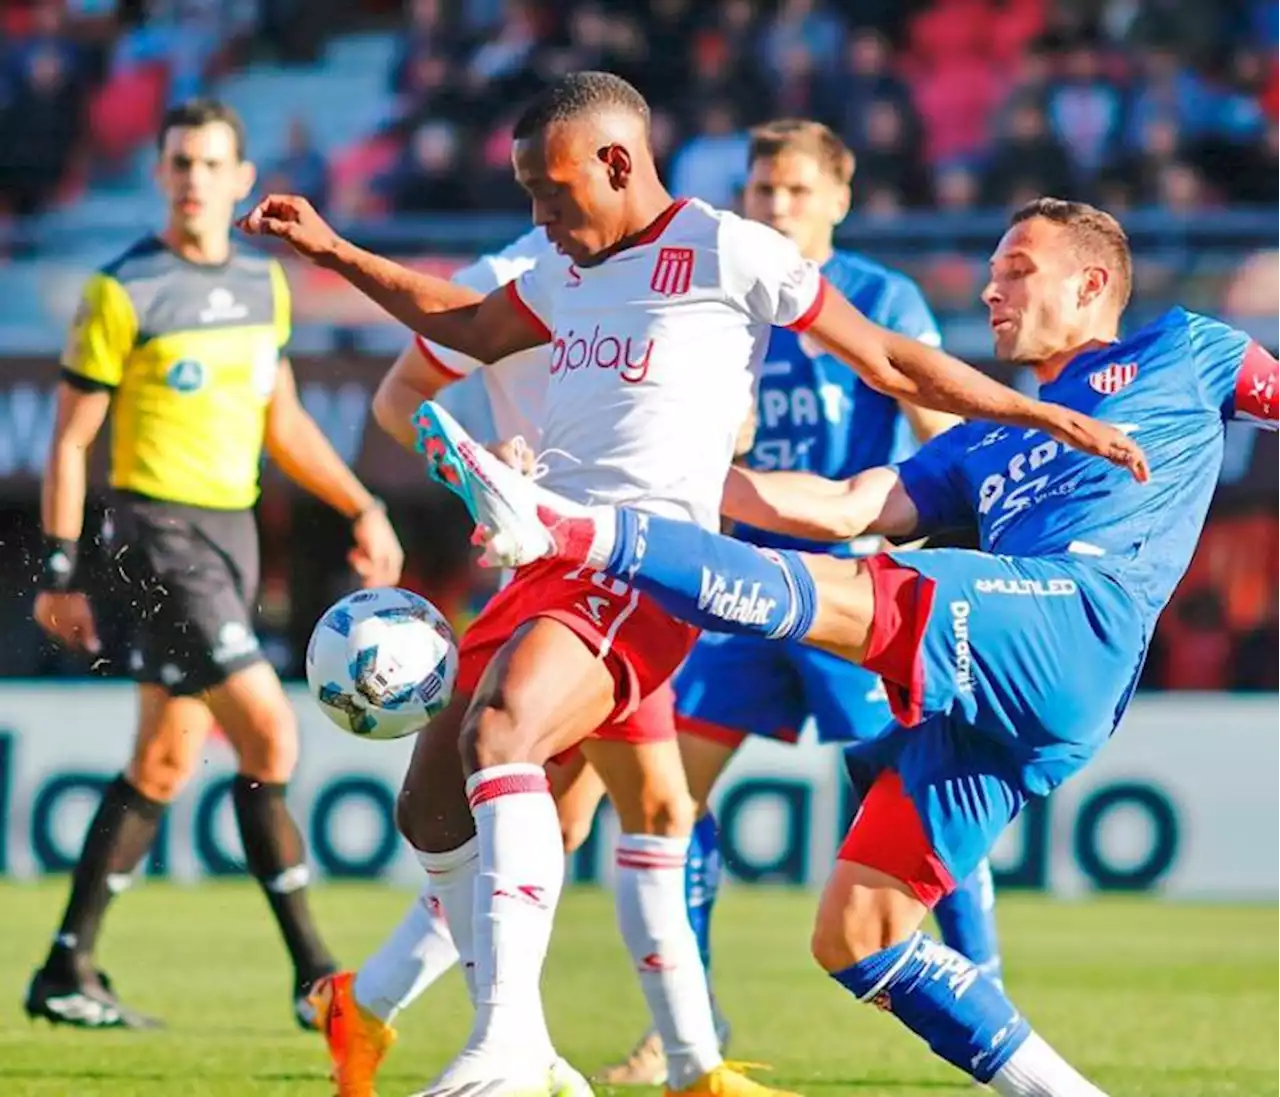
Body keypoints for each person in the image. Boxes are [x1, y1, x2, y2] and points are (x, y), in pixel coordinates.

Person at [240, 70, 1143, 1097]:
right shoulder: (568, 270)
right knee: (432, 809)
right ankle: (532, 1043)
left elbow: (890, 360)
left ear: (617, 162)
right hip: (543, 558)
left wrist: (1045, 416)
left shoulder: (724, 248)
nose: (540, 214)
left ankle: (513, 1043)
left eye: (551, 189)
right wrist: (335, 253)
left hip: (646, 563)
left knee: (513, 739)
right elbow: (470, 324)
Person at [446, 196, 1276, 1097]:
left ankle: (567, 531)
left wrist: (582, 511)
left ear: (1092, 283)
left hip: (1079, 615)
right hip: (1018, 689)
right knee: (858, 932)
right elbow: (841, 508)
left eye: (1017, 271)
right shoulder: (984, 441)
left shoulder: (1188, 348)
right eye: (992, 273)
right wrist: (656, 472)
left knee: (847, 591)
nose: (991, 290)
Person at [597, 117, 1002, 1086]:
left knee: (903, 795)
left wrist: (939, 519)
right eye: (760, 190)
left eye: (792, 191)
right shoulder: (726, 301)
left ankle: (983, 979)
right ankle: (686, 1016)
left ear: (838, 197)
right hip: (737, 586)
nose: (773, 207)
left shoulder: (875, 297)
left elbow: (933, 426)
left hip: (843, 594)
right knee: (668, 802)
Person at [307, 226, 717, 1097]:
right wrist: (476, 469)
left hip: (632, 560)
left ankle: (386, 1004)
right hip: (556, 573)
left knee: (578, 817)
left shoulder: (660, 269)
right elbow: (400, 395)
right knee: (595, 806)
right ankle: (671, 1064)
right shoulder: (505, 279)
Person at [27, 98, 404, 1031]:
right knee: (270, 735)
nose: (194, 178)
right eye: (180, 162)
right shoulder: (122, 291)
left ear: (241, 179)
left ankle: (65, 968)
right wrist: (62, 569)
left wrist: (361, 503)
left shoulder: (263, 287)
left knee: (161, 761)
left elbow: (283, 425)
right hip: (157, 539)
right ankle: (317, 977)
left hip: (232, 534)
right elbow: (71, 443)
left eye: (211, 163)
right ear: (160, 175)